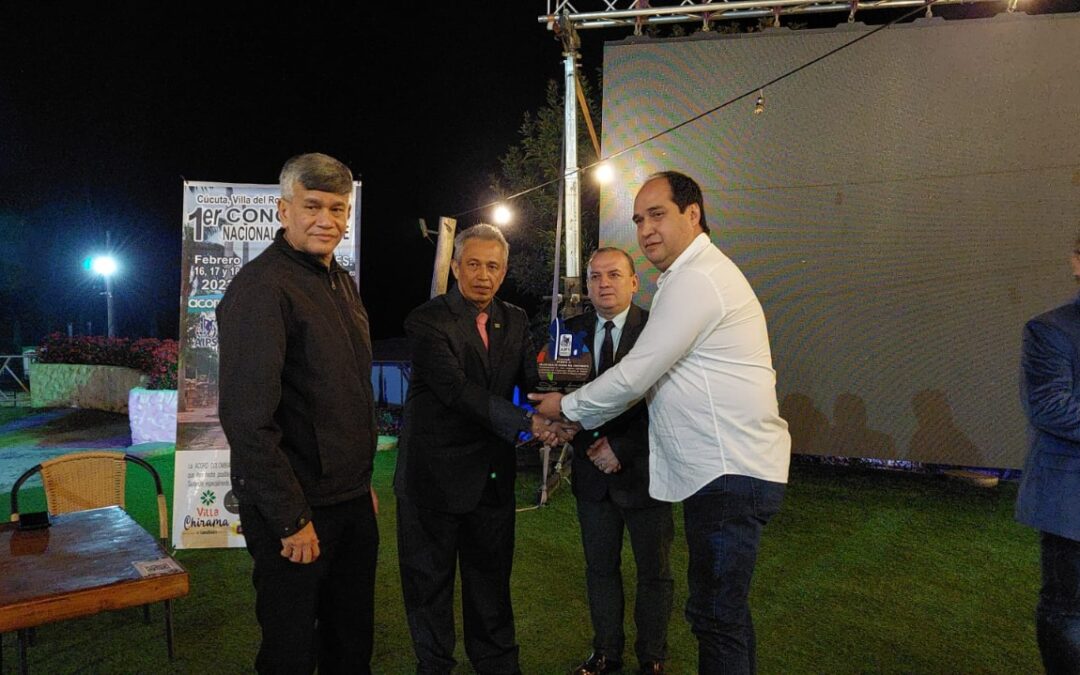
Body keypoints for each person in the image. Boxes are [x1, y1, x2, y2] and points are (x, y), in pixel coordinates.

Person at [531, 171, 790, 674]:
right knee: (724, 616)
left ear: (693, 214)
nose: (646, 229)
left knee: (714, 617)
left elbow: (636, 376)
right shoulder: (687, 279)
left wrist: (565, 410)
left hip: (726, 471)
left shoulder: (697, 279)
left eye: (657, 215)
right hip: (722, 472)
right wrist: (570, 418)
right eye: (637, 219)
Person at [217, 152, 379, 674]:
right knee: (289, 652)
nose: (326, 220)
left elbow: (345, 393)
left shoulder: (340, 282)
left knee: (350, 644)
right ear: (284, 210)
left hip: (349, 500)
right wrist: (291, 519)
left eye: (338, 208)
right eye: (312, 206)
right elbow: (247, 420)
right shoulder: (261, 288)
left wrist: (359, 485)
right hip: (297, 511)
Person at [394, 223, 571, 675]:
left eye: (493, 266)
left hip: (491, 480)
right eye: (473, 264)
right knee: (429, 587)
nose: (483, 275)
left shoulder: (514, 319)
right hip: (432, 482)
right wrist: (529, 422)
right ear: (456, 267)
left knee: (491, 584)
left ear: (504, 271)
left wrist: (562, 410)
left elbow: (531, 384)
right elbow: (457, 391)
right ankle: (435, 667)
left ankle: (498, 664)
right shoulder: (426, 320)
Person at [567, 247, 674, 675]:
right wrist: (592, 445)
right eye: (595, 277)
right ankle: (606, 653)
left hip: (647, 474)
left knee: (655, 573)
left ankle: (652, 658)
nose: (603, 284)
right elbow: (564, 397)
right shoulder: (568, 332)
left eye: (613, 274)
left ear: (633, 281)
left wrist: (621, 448)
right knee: (600, 570)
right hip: (592, 476)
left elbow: (667, 403)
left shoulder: (658, 329)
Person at [1016, 235, 1080, 673]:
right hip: (1071, 501)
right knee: (1069, 610)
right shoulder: (1050, 330)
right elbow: (1050, 407)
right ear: (1077, 262)